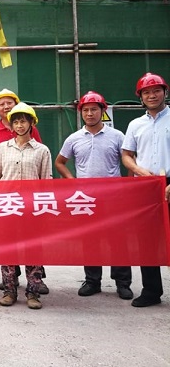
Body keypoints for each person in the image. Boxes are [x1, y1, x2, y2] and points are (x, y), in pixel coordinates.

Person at [55, 91, 132, 300]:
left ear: (102, 111)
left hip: (113, 197)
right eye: (86, 110)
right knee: (90, 240)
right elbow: (60, 162)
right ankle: (92, 281)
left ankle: (123, 283)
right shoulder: (74, 138)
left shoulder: (117, 136)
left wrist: (128, 184)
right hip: (86, 200)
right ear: (81, 112)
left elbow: (128, 159)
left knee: (118, 240)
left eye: (94, 109)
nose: (90, 114)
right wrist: (72, 181)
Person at [0, 89, 47, 294]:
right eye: (16, 122)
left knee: (33, 247)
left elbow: (46, 180)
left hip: (30, 206)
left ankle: (34, 289)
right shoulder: (0, 145)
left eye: (23, 121)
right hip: (7, 204)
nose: (19, 125)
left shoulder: (41, 150)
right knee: (8, 247)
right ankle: (9, 289)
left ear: (31, 123)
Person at [121, 72, 170, 308]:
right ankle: (151, 291)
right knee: (146, 239)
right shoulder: (135, 124)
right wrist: (139, 171)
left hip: (169, 181)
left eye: (156, 91)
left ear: (164, 92)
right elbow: (126, 155)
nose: (152, 95)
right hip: (145, 183)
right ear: (140, 97)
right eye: (146, 92)